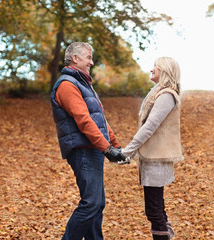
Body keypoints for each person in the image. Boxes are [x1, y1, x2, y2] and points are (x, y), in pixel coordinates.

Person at [51, 41, 125, 240]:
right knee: (91, 203)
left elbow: (98, 118)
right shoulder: (67, 85)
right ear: (75, 58)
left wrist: (115, 145)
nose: (91, 62)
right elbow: (84, 120)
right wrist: (107, 149)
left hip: (92, 148)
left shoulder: (83, 84)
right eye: (88, 57)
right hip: (82, 149)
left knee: (97, 204)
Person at [122, 57, 184, 240]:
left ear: (164, 70)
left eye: (155, 66)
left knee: (154, 211)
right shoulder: (158, 92)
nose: (151, 69)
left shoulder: (166, 95)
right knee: (156, 209)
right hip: (152, 158)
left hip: (157, 159)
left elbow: (149, 126)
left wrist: (127, 151)